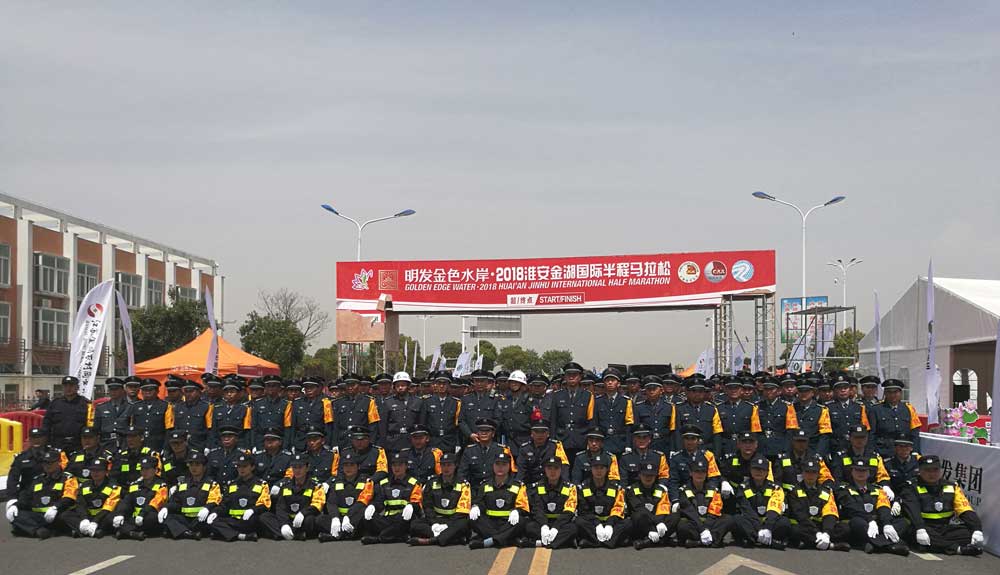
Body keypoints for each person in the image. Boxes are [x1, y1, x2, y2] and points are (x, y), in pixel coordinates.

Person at [901, 455, 984, 556]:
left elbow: (964, 509)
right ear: (920, 471)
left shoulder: (951, 487)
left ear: (940, 470)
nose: (932, 474)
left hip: (943, 528)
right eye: (927, 470)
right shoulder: (911, 487)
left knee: (969, 533)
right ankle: (958, 549)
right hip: (921, 526)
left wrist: (977, 529)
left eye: (935, 469)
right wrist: (920, 528)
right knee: (918, 533)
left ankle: (934, 545)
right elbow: (913, 511)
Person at [834, 460, 909, 556]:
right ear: (851, 472)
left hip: (877, 523)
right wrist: (870, 520)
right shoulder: (844, 489)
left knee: (902, 522)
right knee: (856, 522)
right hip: (859, 522)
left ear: (869, 473)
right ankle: (890, 546)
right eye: (857, 470)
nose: (860, 473)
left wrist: (886, 524)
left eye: (864, 471)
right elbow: (852, 508)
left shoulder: (877, 489)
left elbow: (883, 506)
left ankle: (872, 544)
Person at [5, 448, 78, 539]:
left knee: (66, 516)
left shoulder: (68, 478)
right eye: (45, 463)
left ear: (59, 462)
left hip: (57, 513)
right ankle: (39, 530)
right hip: (40, 516)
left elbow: (69, 497)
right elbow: (27, 497)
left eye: (50, 463)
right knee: (16, 514)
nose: (47, 466)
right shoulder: (37, 480)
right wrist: (16, 505)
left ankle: (33, 529)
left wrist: (56, 507)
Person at [785, 456, 850, 551]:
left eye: (813, 472)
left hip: (821, 526)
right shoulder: (794, 491)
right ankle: (831, 546)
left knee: (845, 528)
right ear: (802, 473)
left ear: (818, 473)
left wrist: (826, 533)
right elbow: (800, 515)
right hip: (805, 526)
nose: (810, 475)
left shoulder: (826, 491)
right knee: (794, 530)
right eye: (807, 472)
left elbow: (830, 513)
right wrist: (817, 533)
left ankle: (811, 543)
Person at [408, 452, 472, 547]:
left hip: (453, 521)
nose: (446, 468)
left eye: (449, 465)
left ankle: (431, 540)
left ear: (455, 466)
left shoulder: (463, 484)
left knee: (464, 524)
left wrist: (447, 526)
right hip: (436, 519)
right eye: (443, 465)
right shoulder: (432, 482)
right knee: (414, 524)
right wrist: (434, 524)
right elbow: (427, 506)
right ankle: (451, 538)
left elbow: (462, 511)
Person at [468, 452, 529, 549]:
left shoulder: (518, 485)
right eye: (497, 464)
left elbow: (523, 506)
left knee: (522, 521)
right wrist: (476, 507)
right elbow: (480, 502)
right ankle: (507, 538)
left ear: (509, 466)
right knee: (472, 518)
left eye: (504, 464)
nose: (500, 467)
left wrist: (517, 511)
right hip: (490, 522)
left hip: (508, 522)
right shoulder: (485, 485)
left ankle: (489, 541)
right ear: (493, 466)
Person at [361, 452, 423, 545]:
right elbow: (379, 503)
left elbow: (417, 501)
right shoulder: (384, 483)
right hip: (388, 519)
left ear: (406, 466)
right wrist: (373, 506)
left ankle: (379, 538)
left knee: (411, 522)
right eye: (394, 465)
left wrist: (412, 506)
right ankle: (399, 536)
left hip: (403, 517)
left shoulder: (414, 483)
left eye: (400, 465)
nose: (397, 468)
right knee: (368, 518)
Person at [259, 453, 325, 540]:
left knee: (311, 520)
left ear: (307, 468)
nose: (297, 470)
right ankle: (295, 535)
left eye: (300, 467)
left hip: (303, 519)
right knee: (265, 517)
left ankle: (282, 534)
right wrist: (284, 524)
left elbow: (317, 504)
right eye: (294, 467)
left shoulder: (316, 485)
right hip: (288, 519)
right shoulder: (285, 485)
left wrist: (302, 513)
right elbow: (280, 507)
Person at [207, 452, 271, 542]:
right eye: (239, 466)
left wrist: (253, 510)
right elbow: (224, 505)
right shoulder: (232, 484)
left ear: (252, 467)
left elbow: (265, 504)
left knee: (258, 519)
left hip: (250, 520)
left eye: (245, 466)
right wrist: (215, 512)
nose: (241, 469)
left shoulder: (261, 484)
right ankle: (241, 536)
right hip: (234, 520)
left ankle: (226, 533)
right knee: (213, 522)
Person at [517, 456, 578, 549]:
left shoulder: (570, 488)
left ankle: (538, 543)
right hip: (542, 523)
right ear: (545, 469)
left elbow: (569, 511)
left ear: (561, 469)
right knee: (529, 526)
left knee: (573, 528)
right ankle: (562, 542)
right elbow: (537, 509)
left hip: (561, 523)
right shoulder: (537, 487)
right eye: (549, 468)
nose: (552, 472)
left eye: (556, 468)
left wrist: (556, 527)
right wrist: (544, 526)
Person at [731, 455, 790, 550]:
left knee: (784, 522)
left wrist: (767, 527)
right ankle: (768, 541)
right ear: (750, 470)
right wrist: (760, 529)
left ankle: (753, 538)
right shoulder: (742, 487)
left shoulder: (776, 488)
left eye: (762, 470)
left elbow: (774, 508)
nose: (759, 472)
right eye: (756, 469)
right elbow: (747, 510)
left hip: (769, 522)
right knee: (736, 519)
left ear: (767, 472)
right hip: (752, 521)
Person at [160, 451, 220, 540]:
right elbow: (176, 501)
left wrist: (207, 508)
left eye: (197, 465)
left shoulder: (212, 484)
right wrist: (166, 507)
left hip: (200, 518)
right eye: (191, 465)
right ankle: (189, 534)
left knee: (214, 519)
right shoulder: (183, 484)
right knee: (168, 517)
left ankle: (182, 532)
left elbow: (215, 499)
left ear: (204, 467)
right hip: (185, 518)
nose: (193, 468)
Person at [316, 452, 374, 542]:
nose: (348, 468)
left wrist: (348, 517)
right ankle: (347, 534)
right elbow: (332, 503)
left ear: (358, 466)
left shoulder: (366, 481)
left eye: (352, 465)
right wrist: (335, 518)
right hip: (340, 518)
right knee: (320, 519)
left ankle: (336, 536)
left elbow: (362, 502)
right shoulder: (336, 482)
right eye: (346, 465)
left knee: (364, 515)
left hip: (355, 517)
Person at [575, 454, 628, 549]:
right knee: (578, 521)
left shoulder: (615, 487)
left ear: (607, 469)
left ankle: (594, 542)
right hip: (592, 523)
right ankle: (609, 542)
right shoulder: (584, 487)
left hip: (611, 521)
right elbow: (583, 511)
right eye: (596, 468)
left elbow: (619, 508)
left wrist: (609, 524)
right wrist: (597, 524)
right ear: (591, 469)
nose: (598, 471)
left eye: (601, 468)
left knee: (628, 522)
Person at [676, 457, 730, 548]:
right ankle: (713, 540)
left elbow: (715, 511)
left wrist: (707, 528)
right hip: (694, 522)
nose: (699, 474)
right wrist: (702, 530)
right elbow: (690, 512)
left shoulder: (714, 490)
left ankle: (698, 542)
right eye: (696, 471)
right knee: (682, 526)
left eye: (703, 472)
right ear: (691, 473)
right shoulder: (683, 490)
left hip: (710, 522)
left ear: (706, 474)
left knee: (728, 519)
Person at [110, 456, 168, 540]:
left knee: (151, 519)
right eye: (142, 469)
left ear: (155, 470)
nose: (144, 472)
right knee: (113, 516)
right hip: (135, 517)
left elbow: (156, 502)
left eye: (147, 469)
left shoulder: (161, 485)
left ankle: (126, 531)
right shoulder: (135, 485)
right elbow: (127, 501)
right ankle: (132, 533)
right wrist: (120, 514)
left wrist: (142, 514)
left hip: (149, 515)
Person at [550, 362, 595, 466]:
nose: (571, 377)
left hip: (581, 439)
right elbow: (553, 420)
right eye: (569, 374)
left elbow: (591, 421)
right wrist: (552, 440)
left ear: (580, 377)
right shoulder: (557, 395)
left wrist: (590, 441)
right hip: (562, 439)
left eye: (574, 375)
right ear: (565, 377)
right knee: (563, 468)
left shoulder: (588, 396)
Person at [626, 461, 678, 550]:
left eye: (651, 475)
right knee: (638, 515)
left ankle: (647, 542)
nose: (648, 478)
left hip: (658, 521)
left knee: (675, 515)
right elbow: (639, 508)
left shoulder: (661, 490)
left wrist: (660, 522)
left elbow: (663, 508)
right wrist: (655, 525)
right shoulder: (632, 490)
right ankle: (663, 539)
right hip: (641, 524)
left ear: (655, 476)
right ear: (639, 475)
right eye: (645, 475)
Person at [868, 379, 921, 459]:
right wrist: (872, 452)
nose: (892, 395)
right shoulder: (876, 410)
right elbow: (871, 434)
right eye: (889, 392)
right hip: (883, 452)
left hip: (905, 452)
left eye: (895, 392)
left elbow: (914, 433)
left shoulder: (909, 409)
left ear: (900, 393)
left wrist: (915, 451)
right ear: (885, 393)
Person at [668, 425, 721, 504]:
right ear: (683, 440)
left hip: (705, 494)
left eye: (693, 439)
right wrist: (675, 500)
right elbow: (673, 481)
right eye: (687, 438)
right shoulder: (676, 458)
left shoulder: (708, 456)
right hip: (683, 495)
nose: (689, 442)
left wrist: (709, 497)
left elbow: (713, 478)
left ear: (698, 440)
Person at [69, 456, 121, 538]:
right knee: (66, 514)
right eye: (93, 470)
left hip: (103, 516)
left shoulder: (113, 486)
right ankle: (91, 530)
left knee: (112, 518)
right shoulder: (85, 485)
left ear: (106, 471)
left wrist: (95, 521)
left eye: (99, 470)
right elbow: (80, 504)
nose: (95, 473)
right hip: (89, 516)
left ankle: (83, 531)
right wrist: (84, 519)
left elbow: (109, 507)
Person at [41, 376, 94, 452]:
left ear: (77, 387)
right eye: (65, 386)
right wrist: (46, 443)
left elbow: (91, 425)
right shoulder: (55, 403)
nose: (68, 388)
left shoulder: (86, 404)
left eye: (71, 386)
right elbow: (46, 424)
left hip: (78, 444)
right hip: (58, 444)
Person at [458, 418, 516, 489]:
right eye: (481, 430)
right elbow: (462, 473)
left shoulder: (502, 450)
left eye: (487, 431)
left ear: (493, 434)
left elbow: (510, 472)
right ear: (477, 433)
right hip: (474, 489)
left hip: (494, 488)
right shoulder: (469, 450)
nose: (484, 433)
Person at [828, 426, 891, 490]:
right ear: (850, 438)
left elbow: (882, 476)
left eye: (862, 437)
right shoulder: (841, 457)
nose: (859, 440)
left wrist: (885, 486)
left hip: (871, 490)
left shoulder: (875, 457)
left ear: (867, 437)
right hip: (847, 491)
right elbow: (837, 479)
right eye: (856, 437)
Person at [503, 373, 552, 456]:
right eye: (512, 382)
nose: (513, 384)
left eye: (516, 382)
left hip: (525, 439)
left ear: (522, 384)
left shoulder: (530, 401)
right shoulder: (505, 400)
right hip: (509, 440)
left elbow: (536, 420)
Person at [674, 376, 723, 455]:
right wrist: (678, 452)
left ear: (704, 393)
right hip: (686, 451)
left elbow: (717, 433)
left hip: (707, 450)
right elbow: (677, 433)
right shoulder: (679, 409)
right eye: (694, 391)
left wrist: (717, 454)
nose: (697, 394)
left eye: (700, 391)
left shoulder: (712, 409)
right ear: (687, 392)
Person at [122, 379, 174, 451]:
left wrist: (166, 448)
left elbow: (169, 429)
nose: (147, 392)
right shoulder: (135, 406)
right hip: (139, 445)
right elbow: (130, 426)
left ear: (157, 391)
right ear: (141, 392)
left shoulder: (166, 406)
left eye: (150, 389)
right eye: (144, 390)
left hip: (158, 444)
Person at [716, 376, 762, 456]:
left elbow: (755, 431)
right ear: (725, 390)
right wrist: (718, 452)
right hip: (725, 446)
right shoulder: (719, 408)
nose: (733, 391)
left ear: (741, 390)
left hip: (745, 447)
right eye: (730, 388)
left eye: (736, 388)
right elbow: (717, 433)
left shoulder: (751, 408)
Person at [331, 374, 381, 449]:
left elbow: (373, 426)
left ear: (359, 385)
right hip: (343, 442)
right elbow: (335, 426)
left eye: (353, 385)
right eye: (348, 385)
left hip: (361, 442)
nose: (350, 387)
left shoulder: (368, 401)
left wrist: (371, 444)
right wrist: (334, 444)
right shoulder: (337, 403)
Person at [379, 372, 424, 453]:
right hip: (393, 443)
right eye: (397, 385)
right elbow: (383, 425)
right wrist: (383, 444)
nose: (400, 388)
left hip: (412, 442)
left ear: (408, 386)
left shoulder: (418, 401)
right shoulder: (388, 402)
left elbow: (422, 423)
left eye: (403, 385)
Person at [515, 420, 569, 486]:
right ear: (532, 433)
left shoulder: (556, 446)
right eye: (537, 432)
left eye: (543, 432)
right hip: (530, 485)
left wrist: (564, 485)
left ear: (548, 433)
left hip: (550, 484)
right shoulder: (525, 449)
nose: (540, 435)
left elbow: (564, 467)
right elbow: (521, 471)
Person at [419, 372, 463, 453]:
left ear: (449, 385)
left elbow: (458, 425)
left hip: (449, 441)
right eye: (439, 383)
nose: (442, 386)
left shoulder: (456, 403)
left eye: (444, 384)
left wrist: (457, 443)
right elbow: (423, 423)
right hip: (432, 441)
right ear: (435, 385)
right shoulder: (427, 401)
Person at [594, 368, 635, 455]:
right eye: (607, 380)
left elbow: (629, 425)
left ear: (618, 383)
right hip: (603, 443)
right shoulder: (597, 401)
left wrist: (628, 444)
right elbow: (595, 423)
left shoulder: (626, 401)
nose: (610, 383)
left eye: (612, 380)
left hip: (620, 443)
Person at [756, 377, 799, 458]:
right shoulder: (757, 406)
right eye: (766, 389)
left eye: (772, 389)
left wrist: (786, 450)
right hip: (762, 447)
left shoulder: (787, 407)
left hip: (780, 447)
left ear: (779, 391)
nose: (768, 392)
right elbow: (755, 430)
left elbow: (790, 431)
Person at [826, 374, 869, 454]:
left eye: (845, 388)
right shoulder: (828, 408)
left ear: (850, 390)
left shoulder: (859, 407)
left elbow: (866, 429)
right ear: (834, 391)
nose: (843, 390)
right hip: (836, 448)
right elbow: (826, 433)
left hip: (855, 448)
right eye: (839, 388)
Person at [634, 375, 676, 454]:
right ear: (645, 391)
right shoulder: (639, 407)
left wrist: (673, 448)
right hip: (647, 445)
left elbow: (673, 430)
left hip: (665, 445)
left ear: (661, 390)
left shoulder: (669, 407)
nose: (651, 391)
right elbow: (635, 429)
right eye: (649, 389)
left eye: (654, 389)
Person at [460, 370, 503, 444]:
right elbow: (461, 420)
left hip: (490, 440)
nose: (479, 384)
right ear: (473, 382)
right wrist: (470, 434)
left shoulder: (495, 399)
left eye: (482, 381)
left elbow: (498, 419)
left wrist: (487, 433)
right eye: (477, 381)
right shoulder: (466, 399)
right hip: (470, 440)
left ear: (487, 382)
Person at [793, 377, 832, 457]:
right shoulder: (791, 408)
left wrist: (818, 453)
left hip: (813, 449)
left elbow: (824, 435)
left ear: (812, 393)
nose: (803, 393)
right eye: (801, 391)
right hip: (794, 450)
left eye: (806, 391)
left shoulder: (822, 410)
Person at [251, 376, 291, 451]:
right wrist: (253, 445)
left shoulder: (286, 404)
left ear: (279, 388)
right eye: (268, 386)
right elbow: (254, 426)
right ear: (265, 388)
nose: (271, 388)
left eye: (274, 386)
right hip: (261, 442)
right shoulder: (257, 404)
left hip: (278, 441)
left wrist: (285, 446)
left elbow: (287, 428)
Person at [172, 379, 213, 452]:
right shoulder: (178, 407)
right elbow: (175, 427)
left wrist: (208, 446)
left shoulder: (206, 407)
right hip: (181, 445)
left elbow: (210, 429)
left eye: (191, 391)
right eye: (186, 391)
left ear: (198, 392)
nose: (188, 394)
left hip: (199, 445)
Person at [210, 379, 252, 449]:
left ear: (238, 394)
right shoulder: (217, 409)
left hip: (239, 445)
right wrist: (211, 446)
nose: (229, 394)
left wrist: (246, 447)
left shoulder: (244, 409)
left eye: (232, 392)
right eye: (226, 392)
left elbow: (246, 431)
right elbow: (213, 430)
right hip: (220, 444)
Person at [93, 378, 129, 450]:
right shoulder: (101, 408)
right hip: (106, 442)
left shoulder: (129, 406)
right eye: (111, 389)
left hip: (124, 442)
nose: (113, 392)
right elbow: (96, 429)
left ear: (122, 390)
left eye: (116, 389)